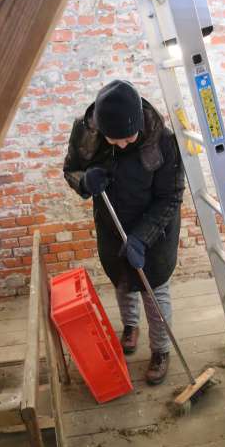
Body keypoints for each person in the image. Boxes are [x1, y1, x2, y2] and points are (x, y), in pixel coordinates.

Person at [63, 80, 185, 385]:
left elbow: (170, 196)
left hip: (154, 228)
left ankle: (161, 350)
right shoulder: (86, 133)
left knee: (153, 287)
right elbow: (71, 169)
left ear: (139, 124)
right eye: (113, 139)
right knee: (122, 279)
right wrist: (84, 181)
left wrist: (142, 237)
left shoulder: (164, 141)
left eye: (128, 137)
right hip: (111, 222)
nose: (121, 145)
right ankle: (130, 327)